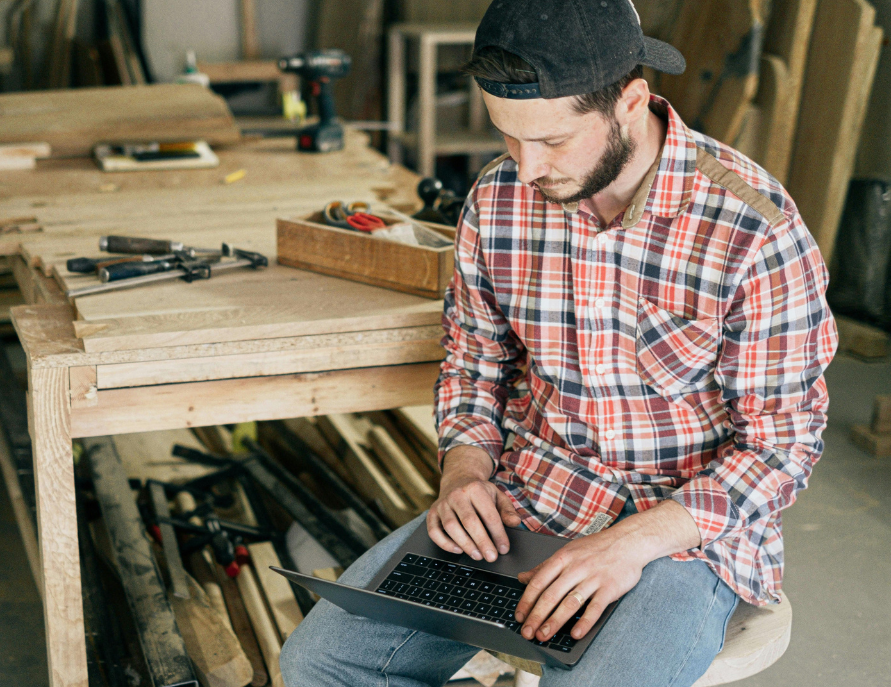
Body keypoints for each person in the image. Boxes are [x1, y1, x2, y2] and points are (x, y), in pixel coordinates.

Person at [280, 1, 837, 685]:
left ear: (631, 102)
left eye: (552, 140)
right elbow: (474, 362)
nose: (527, 166)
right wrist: (463, 470)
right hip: (534, 498)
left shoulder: (753, 231)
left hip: (682, 539)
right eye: (508, 136)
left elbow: (781, 445)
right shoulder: (497, 200)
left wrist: (631, 543)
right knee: (320, 662)